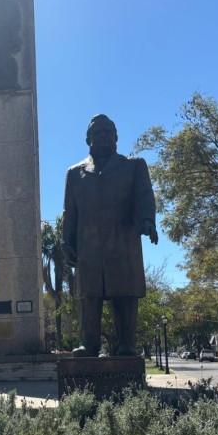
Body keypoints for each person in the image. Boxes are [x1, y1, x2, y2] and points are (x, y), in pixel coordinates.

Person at [62, 114, 158, 357]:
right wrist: (66, 241)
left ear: (116, 138)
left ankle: (126, 343)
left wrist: (147, 220)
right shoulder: (74, 173)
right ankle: (89, 343)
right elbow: (69, 212)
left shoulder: (133, 166)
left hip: (122, 240)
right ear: (88, 139)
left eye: (108, 132)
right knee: (89, 296)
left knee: (125, 293)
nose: (103, 136)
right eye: (98, 132)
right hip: (88, 245)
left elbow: (145, 196)